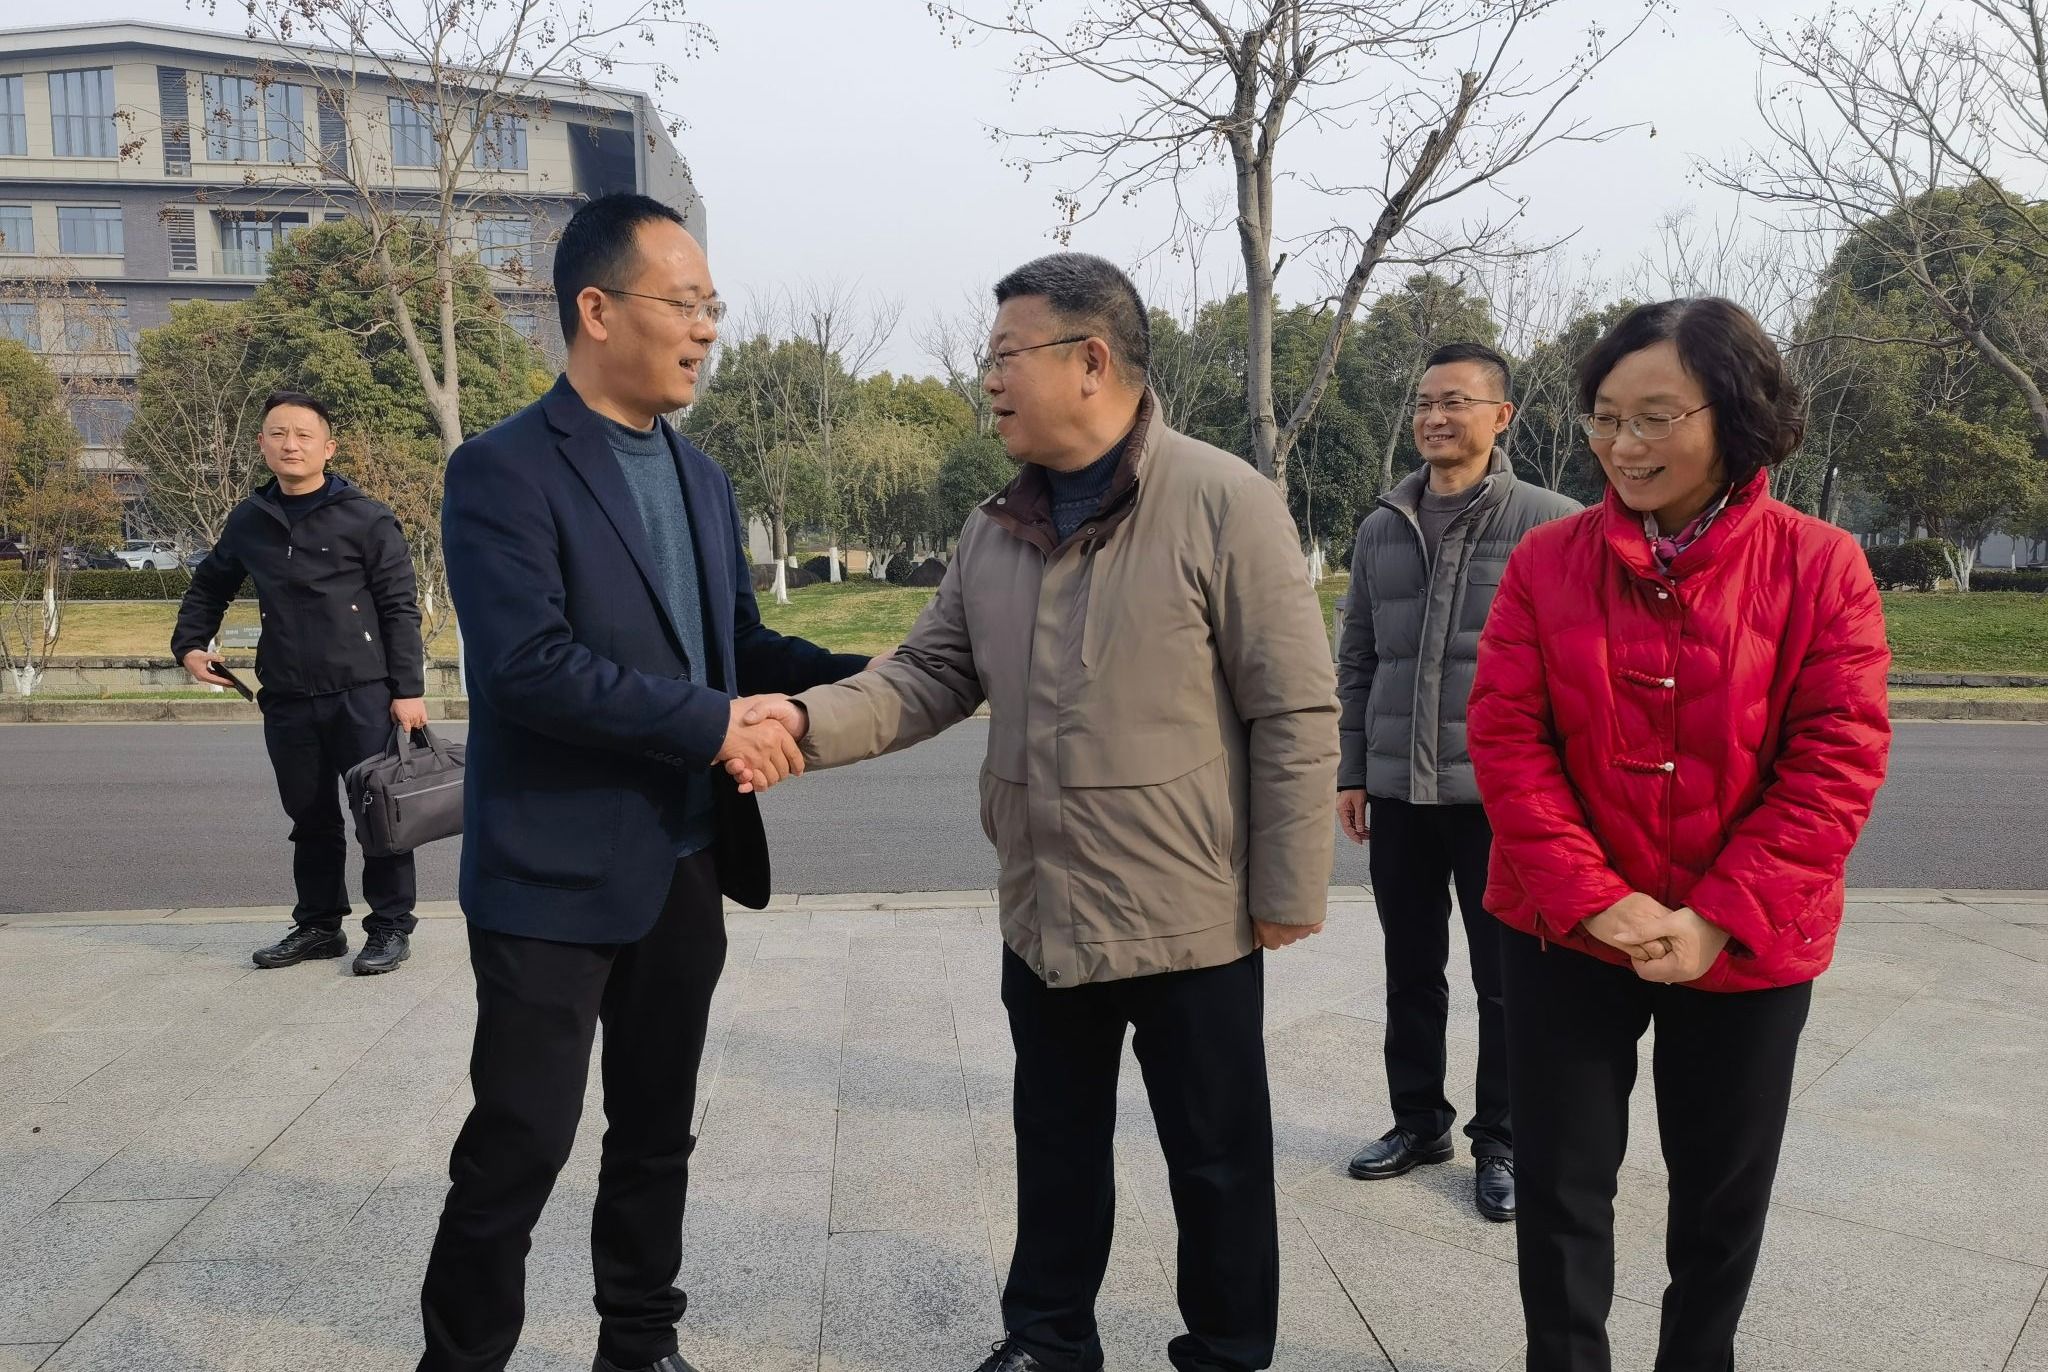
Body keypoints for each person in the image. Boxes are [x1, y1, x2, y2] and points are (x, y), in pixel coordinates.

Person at [744, 253, 1338, 1372]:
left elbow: (1295, 708)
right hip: (1045, 901)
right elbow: (925, 674)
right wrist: (802, 721)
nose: (988, 381)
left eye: (1006, 356)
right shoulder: (996, 527)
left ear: (1091, 360)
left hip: (1192, 913)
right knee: (1054, 1142)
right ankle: (1048, 1341)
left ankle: (1226, 1350)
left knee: (1215, 1157)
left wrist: (1287, 886)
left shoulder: (1223, 502)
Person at [416, 192, 874, 1372]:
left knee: (657, 1127)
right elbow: (528, 667)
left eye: (712, 306)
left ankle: (638, 1342)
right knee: (518, 1143)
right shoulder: (501, 470)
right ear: (596, 308)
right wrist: (716, 724)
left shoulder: (700, 477)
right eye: (685, 303)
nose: (707, 329)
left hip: (683, 861)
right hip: (551, 877)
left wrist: (890, 676)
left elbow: (736, 644)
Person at [1466, 297, 1892, 1370]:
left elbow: (1834, 762)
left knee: (1719, 1201)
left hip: (1748, 940)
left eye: (1655, 417)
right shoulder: (1546, 561)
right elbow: (1507, 739)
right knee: (1560, 1190)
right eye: (1606, 417)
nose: (1623, 445)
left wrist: (1716, 917)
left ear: (1735, 415)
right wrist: (1595, 898)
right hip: (1565, 933)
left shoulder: (1821, 564)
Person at [1334, 342, 1578, 1222]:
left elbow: (1577, 671)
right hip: (1399, 792)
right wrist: (1352, 769)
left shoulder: (1552, 524)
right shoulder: (1382, 525)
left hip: (1500, 800)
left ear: (1501, 416)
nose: (1436, 417)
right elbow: (1359, 656)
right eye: (1425, 402)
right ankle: (1418, 1123)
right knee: (1410, 969)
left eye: (1457, 402)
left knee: (1505, 978)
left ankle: (1502, 1142)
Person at [173, 390, 427, 976]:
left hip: (363, 694)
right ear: (262, 444)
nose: (291, 445)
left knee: (379, 815)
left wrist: (408, 690)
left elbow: (399, 607)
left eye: (303, 435)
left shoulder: (366, 517)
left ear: (328, 448)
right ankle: (319, 926)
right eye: (278, 434)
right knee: (310, 819)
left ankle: (390, 926)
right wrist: (190, 644)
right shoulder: (250, 520)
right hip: (287, 697)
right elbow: (209, 586)